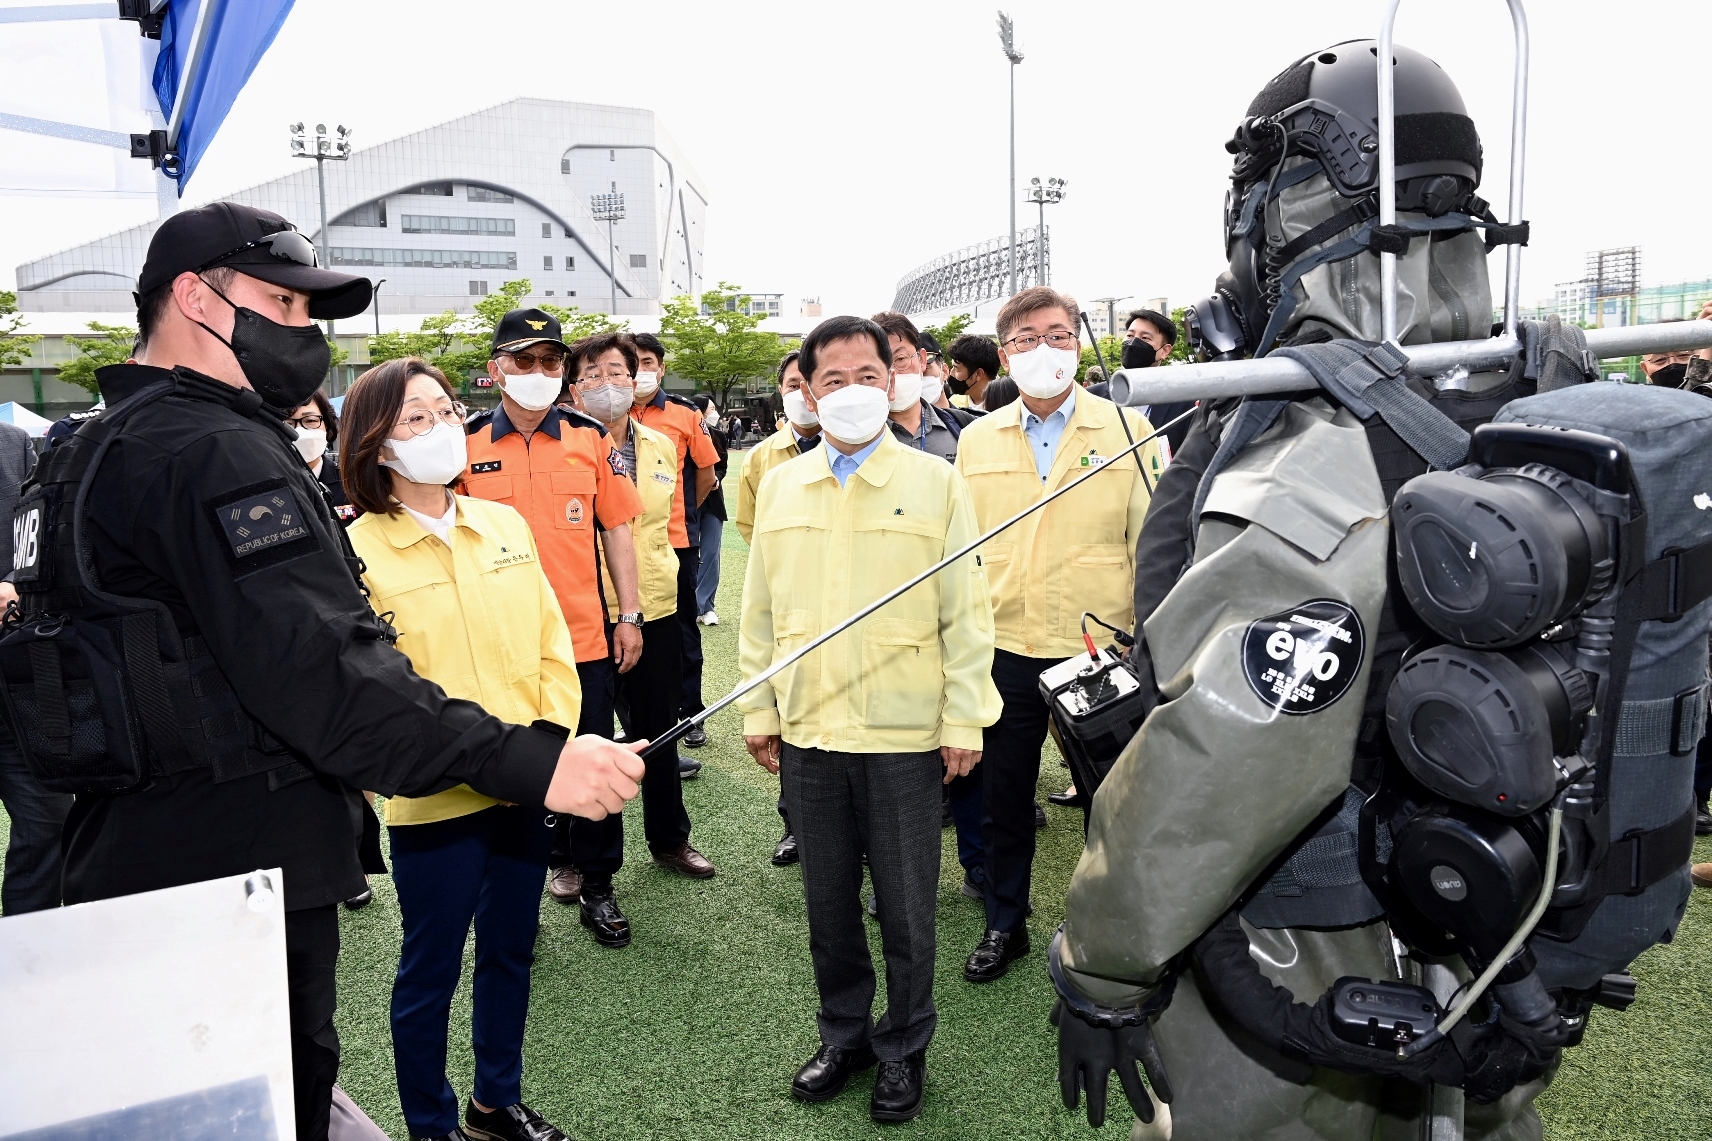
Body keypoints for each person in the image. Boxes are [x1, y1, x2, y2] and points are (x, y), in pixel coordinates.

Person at [9, 202, 643, 1141]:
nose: (306, 331)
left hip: (122, 847)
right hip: (231, 863)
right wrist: (534, 763)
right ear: (196, 296)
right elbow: (329, 679)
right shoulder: (211, 448)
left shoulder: (85, 445)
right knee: (268, 1104)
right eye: (285, 303)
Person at [739, 315, 1000, 1123]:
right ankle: (843, 1034)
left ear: (895, 381)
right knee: (826, 906)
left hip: (903, 734)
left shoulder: (936, 483)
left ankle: (904, 1046)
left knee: (909, 908)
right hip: (811, 732)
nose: (851, 392)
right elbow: (758, 612)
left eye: (867, 375)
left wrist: (964, 718)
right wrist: (760, 705)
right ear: (808, 392)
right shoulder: (782, 484)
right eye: (832, 380)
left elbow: (967, 612)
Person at [341, 357, 580, 1141]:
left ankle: (493, 1103)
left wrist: (543, 753)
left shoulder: (502, 525)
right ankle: (430, 1124)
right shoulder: (357, 552)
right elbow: (376, 692)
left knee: (511, 951)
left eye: (445, 410)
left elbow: (554, 645)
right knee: (429, 970)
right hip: (433, 798)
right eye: (414, 418)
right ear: (375, 443)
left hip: (525, 781)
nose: (439, 427)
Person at [951, 285, 1159, 985]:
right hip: (1004, 647)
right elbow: (962, 549)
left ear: (1078, 340)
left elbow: (1153, 543)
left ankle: (1124, 928)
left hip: (1099, 649)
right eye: (1029, 338)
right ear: (1006, 352)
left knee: (1117, 800)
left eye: (1060, 334)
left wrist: (1143, 639)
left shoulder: (1129, 428)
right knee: (1002, 798)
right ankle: (1005, 921)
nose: (1047, 349)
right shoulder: (976, 438)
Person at [459, 310, 651, 947]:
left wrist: (630, 615)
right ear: (497, 371)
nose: (539, 373)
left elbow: (618, 531)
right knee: (510, 772)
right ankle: (517, 902)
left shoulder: (591, 437)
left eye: (551, 362)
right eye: (524, 361)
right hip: (495, 645)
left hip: (584, 638)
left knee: (596, 761)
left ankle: (598, 885)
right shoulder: (462, 445)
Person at [563, 332, 714, 932]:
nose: (608, 383)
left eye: (618, 371)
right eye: (593, 373)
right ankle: (574, 860)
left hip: (653, 600)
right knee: (583, 737)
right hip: (579, 609)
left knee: (660, 729)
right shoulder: (563, 445)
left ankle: (670, 839)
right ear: (574, 386)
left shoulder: (658, 443)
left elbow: (668, 514)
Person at [734, 349, 822, 866]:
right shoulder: (763, 457)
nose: (803, 394)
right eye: (792, 384)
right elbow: (750, 527)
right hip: (793, 602)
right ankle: (796, 824)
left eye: (809, 383)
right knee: (790, 713)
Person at [629, 332, 722, 749]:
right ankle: (635, 721)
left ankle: (690, 713)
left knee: (681, 632)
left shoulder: (684, 414)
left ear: (662, 368)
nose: (641, 371)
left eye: (648, 362)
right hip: (615, 543)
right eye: (633, 362)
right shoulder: (600, 413)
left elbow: (706, 474)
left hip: (674, 542)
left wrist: (679, 515)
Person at [0, 419, 73, 917]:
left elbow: (39, 533)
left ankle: (30, 967)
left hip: (13, 678)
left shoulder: (12, 442)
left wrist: (13, 584)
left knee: (47, 824)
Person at [872, 310, 972, 463]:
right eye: (881, 364)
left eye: (900, 359)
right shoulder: (861, 437)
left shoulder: (963, 427)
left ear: (922, 359)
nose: (892, 372)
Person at [288, 390, 356, 523]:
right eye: (288, 423)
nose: (299, 432)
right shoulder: (266, 487)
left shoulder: (352, 484)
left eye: (310, 420)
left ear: (328, 425)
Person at [691, 393, 729, 626]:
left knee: (711, 554)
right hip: (691, 503)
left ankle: (706, 606)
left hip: (713, 503)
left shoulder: (719, 436)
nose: (714, 412)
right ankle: (691, 604)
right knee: (688, 555)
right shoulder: (686, 436)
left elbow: (722, 467)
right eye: (710, 408)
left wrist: (716, 479)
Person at [947, 333, 1001, 412]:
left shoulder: (1008, 402)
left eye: (957, 369)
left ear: (978, 374)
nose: (951, 373)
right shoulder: (954, 403)